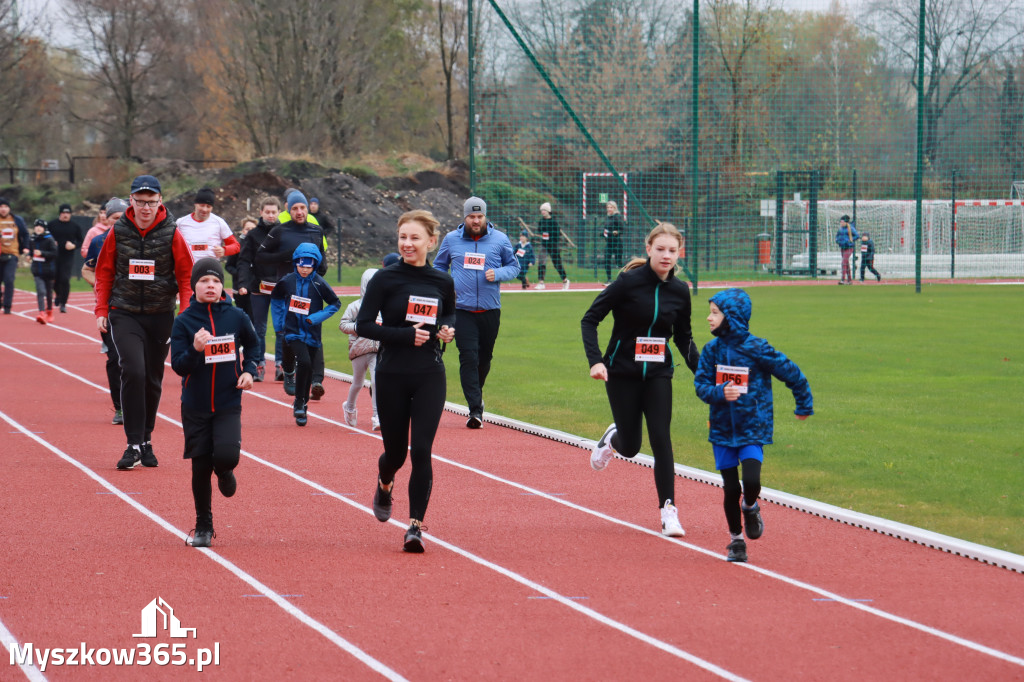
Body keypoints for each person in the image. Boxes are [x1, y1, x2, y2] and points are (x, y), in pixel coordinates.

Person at [582, 222, 700, 537]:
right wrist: (595, 361)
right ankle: (613, 438)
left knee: (662, 438)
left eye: (672, 251)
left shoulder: (680, 291)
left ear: (679, 254)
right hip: (622, 372)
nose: (666, 255)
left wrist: (702, 373)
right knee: (632, 446)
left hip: (659, 372)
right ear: (648, 249)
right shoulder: (627, 283)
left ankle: (669, 510)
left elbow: (684, 338)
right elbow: (590, 319)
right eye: (660, 249)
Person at [358, 210, 455, 553]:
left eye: (415, 238)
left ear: (431, 242)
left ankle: (414, 527)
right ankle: (385, 483)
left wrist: (447, 329)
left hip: (429, 373)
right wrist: (402, 335)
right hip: (392, 373)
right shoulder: (386, 279)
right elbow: (364, 325)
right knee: (395, 454)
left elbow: (449, 313)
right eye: (403, 237)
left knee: (423, 450)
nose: (407, 244)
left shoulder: (442, 281)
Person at [694, 288, 813, 563]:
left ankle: (750, 506)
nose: (708, 318)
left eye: (714, 313)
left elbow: (792, 373)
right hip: (722, 430)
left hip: (753, 427)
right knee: (730, 488)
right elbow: (701, 386)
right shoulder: (711, 351)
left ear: (732, 317)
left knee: (750, 481)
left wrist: (803, 404)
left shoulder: (757, 348)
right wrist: (719, 393)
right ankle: (736, 542)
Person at [94, 174, 194, 470]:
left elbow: (187, 276)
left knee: (152, 378)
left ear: (160, 202)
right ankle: (132, 442)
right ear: (131, 201)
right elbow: (104, 272)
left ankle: (146, 439)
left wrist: (186, 315)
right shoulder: (119, 231)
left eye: (151, 202)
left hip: (160, 314)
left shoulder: (172, 232)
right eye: (140, 201)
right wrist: (101, 310)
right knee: (133, 370)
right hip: (124, 312)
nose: (146, 207)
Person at [170, 258, 260, 548]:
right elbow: (179, 367)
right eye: (204, 281)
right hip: (195, 406)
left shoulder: (236, 317)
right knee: (199, 468)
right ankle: (203, 526)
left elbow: (255, 345)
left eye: (216, 281)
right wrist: (196, 350)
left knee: (226, 455)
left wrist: (250, 369)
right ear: (194, 285)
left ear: (223, 286)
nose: (211, 286)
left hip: (228, 401)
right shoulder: (183, 321)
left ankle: (224, 470)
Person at [433, 196, 519, 428]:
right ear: (465, 217)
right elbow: (439, 266)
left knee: (484, 359)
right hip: (462, 310)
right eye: (472, 216)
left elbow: (514, 266)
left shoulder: (500, 239)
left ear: (485, 216)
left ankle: (476, 394)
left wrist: (498, 274)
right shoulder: (451, 239)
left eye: (480, 216)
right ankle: (475, 410)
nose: (476, 220)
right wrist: (447, 284)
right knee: (468, 357)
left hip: (490, 310)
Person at [257, 191, 329, 399]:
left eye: (303, 208)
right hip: (288, 291)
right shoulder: (280, 231)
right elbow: (261, 256)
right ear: (289, 210)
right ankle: (289, 372)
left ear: (308, 209)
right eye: (295, 208)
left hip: (311, 290)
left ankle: (316, 380)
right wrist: (287, 257)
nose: (299, 212)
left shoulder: (316, 230)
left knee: (314, 332)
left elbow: (322, 261)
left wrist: (316, 274)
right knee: (289, 335)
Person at [270, 243, 340, 426]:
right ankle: (299, 403)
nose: (304, 269)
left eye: (308, 265)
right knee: (305, 362)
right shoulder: (287, 281)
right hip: (293, 332)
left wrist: (316, 318)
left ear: (314, 265)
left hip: (312, 334)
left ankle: (302, 402)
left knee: (307, 369)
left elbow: (335, 304)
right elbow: (276, 298)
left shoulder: (319, 283)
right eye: (301, 265)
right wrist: (279, 324)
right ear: (295, 263)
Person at [83, 197, 128, 425]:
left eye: (122, 218)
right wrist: (100, 286)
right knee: (115, 358)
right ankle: (120, 408)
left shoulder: (140, 241)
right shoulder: (99, 241)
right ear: (106, 219)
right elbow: (86, 270)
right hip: (109, 308)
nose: (118, 222)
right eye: (114, 219)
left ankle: (141, 405)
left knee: (141, 361)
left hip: (137, 308)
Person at [236, 196, 282, 382]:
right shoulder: (253, 235)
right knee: (259, 329)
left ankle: (281, 364)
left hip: (281, 288)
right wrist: (243, 283)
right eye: (267, 212)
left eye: (274, 212)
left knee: (282, 328)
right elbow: (244, 261)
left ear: (279, 212)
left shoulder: (284, 232)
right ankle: (259, 363)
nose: (271, 215)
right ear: (261, 212)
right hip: (258, 288)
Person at [339, 268, 380, 431]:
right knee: (358, 382)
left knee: (377, 382)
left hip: (378, 350)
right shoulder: (355, 306)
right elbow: (343, 324)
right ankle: (349, 407)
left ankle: (377, 416)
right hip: (358, 349)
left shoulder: (385, 306)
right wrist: (359, 327)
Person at [175, 188, 241, 263]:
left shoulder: (219, 222)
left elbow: (236, 246)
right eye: (202, 205)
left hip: (210, 269)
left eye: (208, 206)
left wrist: (224, 250)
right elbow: (171, 245)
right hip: (186, 270)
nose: (205, 209)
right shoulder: (181, 223)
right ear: (195, 204)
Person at [48, 203, 82, 313]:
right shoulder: (52, 224)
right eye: (63, 213)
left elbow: (81, 241)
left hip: (67, 256)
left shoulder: (75, 226)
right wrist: (52, 243)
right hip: (53, 256)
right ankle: (58, 294)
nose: (65, 215)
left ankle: (63, 303)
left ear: (70, 214)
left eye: (68, 213)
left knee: (65, 279)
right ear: (60, 213)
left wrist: (74, 246)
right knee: (54, 279)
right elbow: (45, 236)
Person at [0, 197, 30, 315]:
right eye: (1, 206)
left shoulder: (17, 220)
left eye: (5, 206)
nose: (3, 209)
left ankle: (7, 306)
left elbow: (26, 234)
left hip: (12, 254)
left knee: (9, 280)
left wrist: (26, 247)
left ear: (9, 208)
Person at [225, 217, 257, 323]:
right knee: (242, 317)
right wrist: (240, 274)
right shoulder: (237, 246)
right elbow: (228, 266)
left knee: (254, 319)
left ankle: (254, 339)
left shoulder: (260, 246)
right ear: (243, 230)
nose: (250, 231)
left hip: (255, 288)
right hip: (239, 288)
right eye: (247, 229)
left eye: (253, 228)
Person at [535, 202, 570, 290]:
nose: (542, 212)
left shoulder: (554, 222)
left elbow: (557, 234)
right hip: (544, 245)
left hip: (553, 245)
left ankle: (565, 280)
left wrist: (551, 237)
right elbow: (539, 230)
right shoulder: (541, 221)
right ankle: (541, 282)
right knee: (541, 262)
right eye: (541, 210)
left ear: (548, 211)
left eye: (544, 210)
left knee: (557, 264)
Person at [29, 219, 58, 324]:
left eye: (40, 226)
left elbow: (54, 253)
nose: (38, 228)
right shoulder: (32, 239)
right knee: (40, 291)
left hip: (49, 271)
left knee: (49, 293)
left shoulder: (49, 239)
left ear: (44, 228)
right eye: (36, 226)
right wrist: (29, 256)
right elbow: (31, 251)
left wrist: (42, 253)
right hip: (37, 271)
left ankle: (49, 311)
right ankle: (42, 313)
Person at [602, 200, 626, 285]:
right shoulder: (607, 217)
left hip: (616, 243)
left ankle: (623, 280)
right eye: (608, 207)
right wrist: (603, 234)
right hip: (609, 243)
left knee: (618, 262)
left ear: (614, 208)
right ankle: (609, 279)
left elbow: (622, 229)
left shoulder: (617, 217)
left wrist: (617, 232)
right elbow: (605, 229)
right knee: (606, 260)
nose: (609, 209)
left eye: (611, 207)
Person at [835, 214, 859, 285]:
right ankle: (849, 280)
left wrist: (850, 240)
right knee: (846, 263)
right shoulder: (840, 229)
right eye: (840, 222)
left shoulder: (851, 228)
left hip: (849, 247)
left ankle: (842, 279)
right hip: (842, 247)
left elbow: (857, 236)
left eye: (842, 222)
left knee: (843, 262)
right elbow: (837, 236)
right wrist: (837, 240)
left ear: (846, 222)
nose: (841, 223)